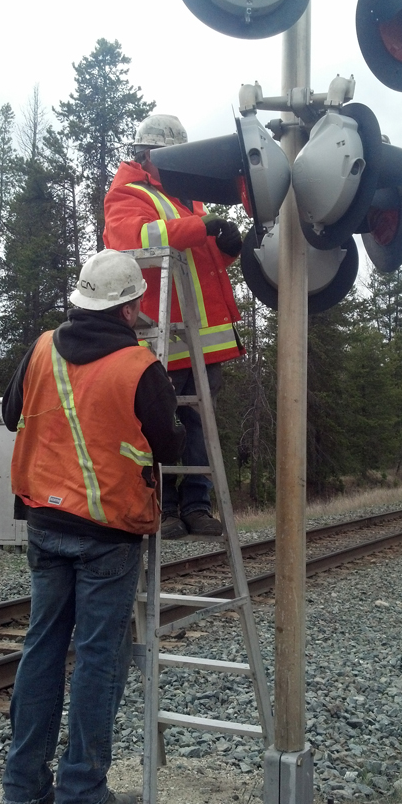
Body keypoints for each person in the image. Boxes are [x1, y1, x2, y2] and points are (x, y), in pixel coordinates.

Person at [0, 250, 186, 804]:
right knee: (99, 658)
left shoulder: (41, 348)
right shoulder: (137, 367)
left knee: (41, 650)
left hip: (45, 524)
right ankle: (83, 795)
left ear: (82, 300)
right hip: (107, 531)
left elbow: (12, 416)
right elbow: (170, 446)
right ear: (129, 309)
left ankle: (22, 793)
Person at [104, 113, 244, 541]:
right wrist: (199, 226)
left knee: (199, 426)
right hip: (160, 338)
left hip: (201, 340)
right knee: (160, 425)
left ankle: (197, 507)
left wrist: (226, 250)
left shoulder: (188, 197)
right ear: (148, 154)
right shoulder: (127, 192)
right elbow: (133, 239)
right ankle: (163, 509)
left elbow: (201, 265)